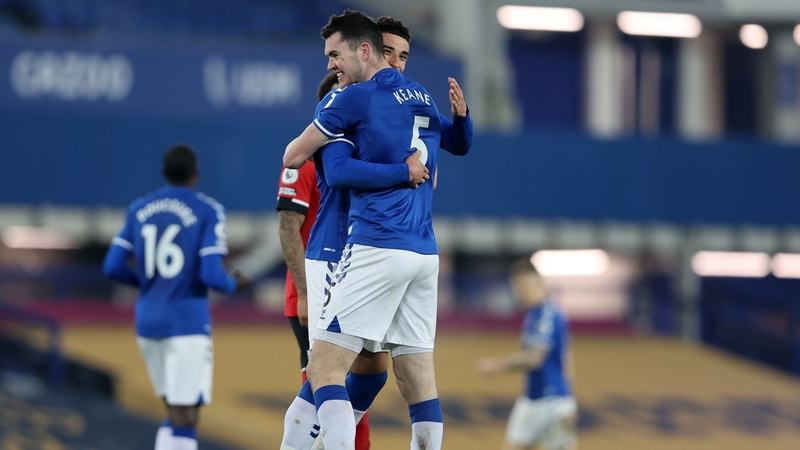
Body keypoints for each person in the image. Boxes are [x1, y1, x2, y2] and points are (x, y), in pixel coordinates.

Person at [282, 10, 448, 450]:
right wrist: (404, 170)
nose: (396, 63)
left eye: (404, 55)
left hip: (375, 249)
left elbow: (453, 142)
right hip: (335, 253)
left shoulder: (401, 105)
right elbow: (330, 173)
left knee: (370, 370)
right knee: (329, 370)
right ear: (372, 50)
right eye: (390, 52)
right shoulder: (344, 103)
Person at [103, 144, 249, 450]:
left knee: (175, 409)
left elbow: (112, 266)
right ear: (195, 174)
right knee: (185, 415)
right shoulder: (207, 210)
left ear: (164, 173)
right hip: (186, 323)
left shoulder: (139, 208)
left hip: (148, 322)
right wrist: (235, 284)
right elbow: (211, 276)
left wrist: (146, 283)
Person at [477, 258, 577, 450]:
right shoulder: (534, 315)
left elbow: (534, 359)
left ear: (539, 283)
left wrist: (497, 365)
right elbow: (566, 358)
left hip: (552, 404)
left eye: (523, 287)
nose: (519, 293)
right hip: (532, 399)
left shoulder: (548, 315)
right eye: (516, 288)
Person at [276, 71, 337, 382]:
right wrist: (304, 292)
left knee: (358, 388)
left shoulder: (351, 157)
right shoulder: (304, 158)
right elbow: (288, 228)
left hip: (346, 286)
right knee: (321, 388)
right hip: (314, 290)